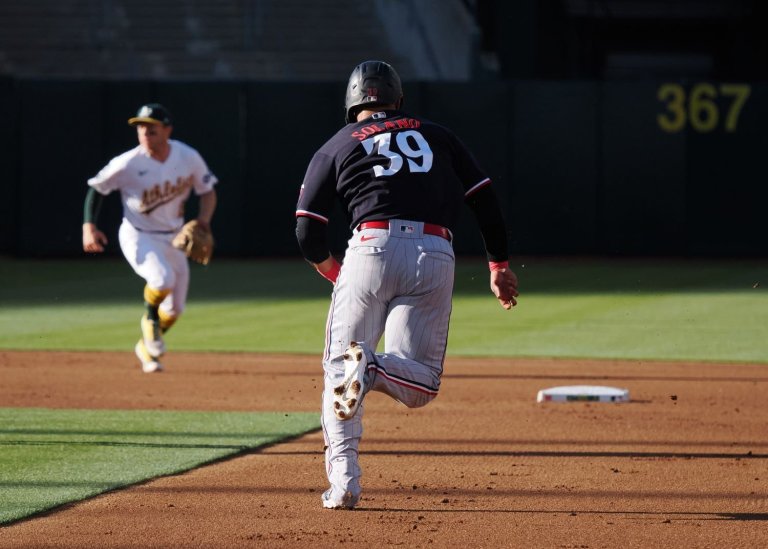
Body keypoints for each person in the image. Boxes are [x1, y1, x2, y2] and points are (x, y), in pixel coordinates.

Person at [295, 60, 518, 510]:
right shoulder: (439, 133)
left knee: (340, 367)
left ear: (352, 104)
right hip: (434, 253)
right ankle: (374, 369)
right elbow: (484, 198)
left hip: (369, 247)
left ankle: (344, 484)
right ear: (398, 101)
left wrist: (337, 275)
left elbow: (306, 228)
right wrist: (498, 264)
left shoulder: (337, 144)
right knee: (421, 388)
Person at [82, 103, 218, 373]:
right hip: (138, 235)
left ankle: (145, 346)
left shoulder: (187, 156)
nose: (144, 132)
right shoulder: (128, 162)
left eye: (151, 128)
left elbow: (208, 189)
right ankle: (149, 321)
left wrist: (203, 220)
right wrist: (89, 226)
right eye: (140, 127)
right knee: (162, 279)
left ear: (167, 130)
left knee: (176, 308)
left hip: (175, 238)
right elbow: (97, 189)